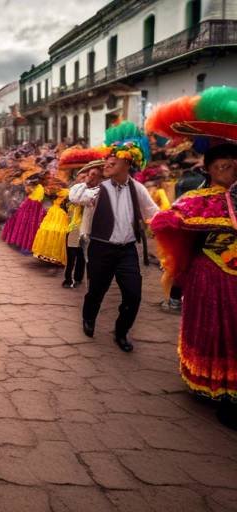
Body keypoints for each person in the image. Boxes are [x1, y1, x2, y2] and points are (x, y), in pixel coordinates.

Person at [145, 86, 237, 429]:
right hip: (211, 275)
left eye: (234, 165)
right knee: (216, 329)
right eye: (223, 165)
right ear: (211, 169)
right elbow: (164, 222)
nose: (230, 170)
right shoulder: (197, 199)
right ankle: (216, 383)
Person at [70, 122, 159, 352]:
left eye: (114, 159)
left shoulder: (137, 188)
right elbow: (76, 197)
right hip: (100, 249)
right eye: (107, 158)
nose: (108, 162)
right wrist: (86, 181)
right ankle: (88, 318)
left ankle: (121, 332)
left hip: (127, 250)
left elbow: (154, 213)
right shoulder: (99, 188)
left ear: (128, 163)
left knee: (133, 295)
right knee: (96, 291)